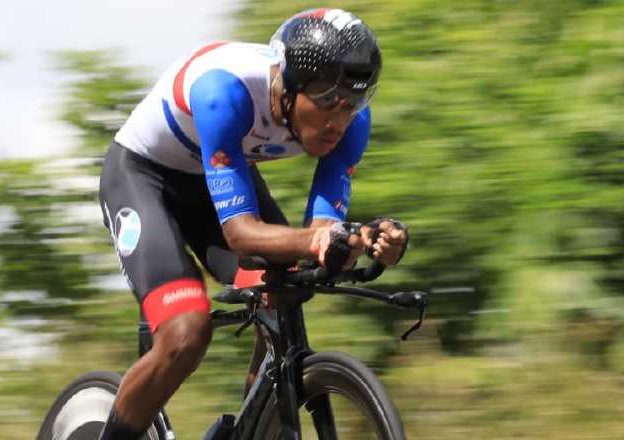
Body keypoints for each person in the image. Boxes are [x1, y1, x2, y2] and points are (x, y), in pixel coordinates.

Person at [96, 7, 408, 439]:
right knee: (187, 332)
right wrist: (321, 240)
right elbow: (240, 235)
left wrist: (363, 240)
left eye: (352, 104)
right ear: (288, 86)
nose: (338, 120)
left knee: (286, 289)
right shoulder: (225, 92)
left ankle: (254, 426)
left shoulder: (351, 125)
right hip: (144, 177)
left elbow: (322, 232)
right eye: (325, 101)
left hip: (213, 178)